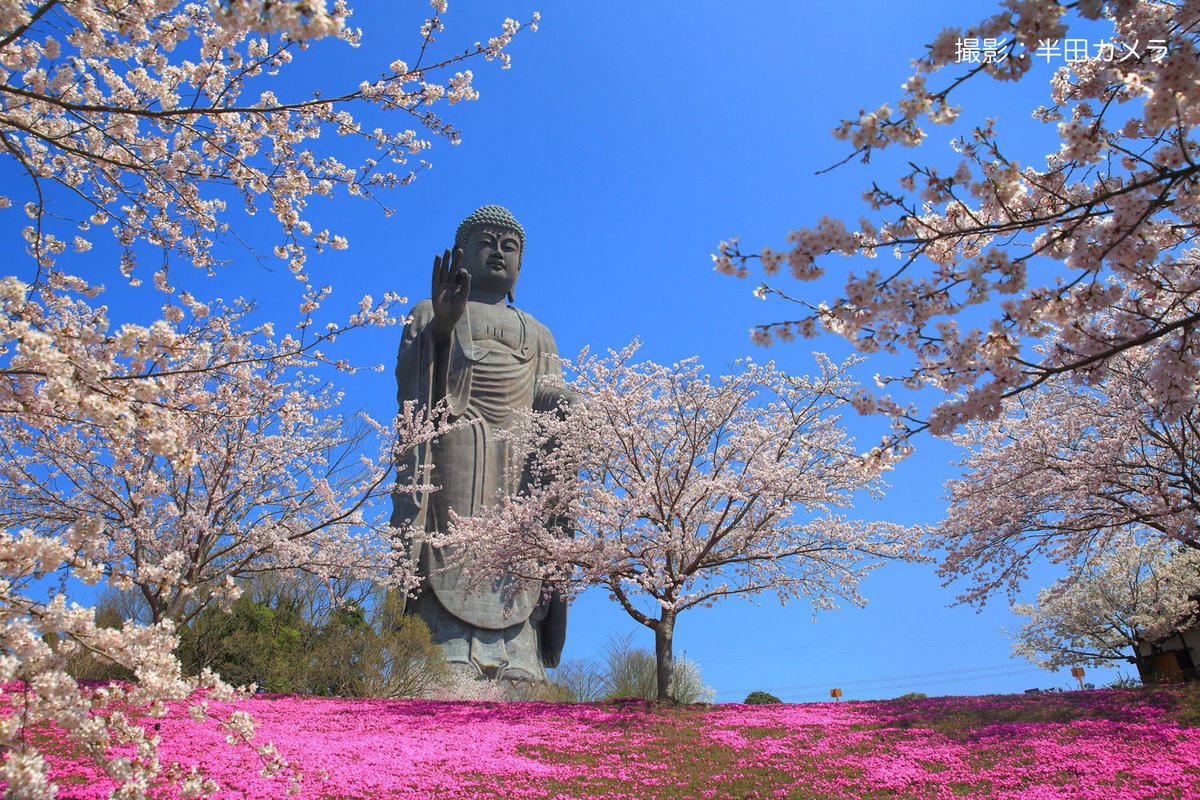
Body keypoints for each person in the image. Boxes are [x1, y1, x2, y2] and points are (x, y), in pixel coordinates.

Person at [391, 205, 570, 689]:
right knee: (444, 531)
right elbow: (412, 380)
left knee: (521, 541)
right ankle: (443, 645)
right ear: (462, 254)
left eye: (509, 247)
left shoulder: (539, 332)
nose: (497, 253)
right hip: (455, 442)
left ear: (520, 267)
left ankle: (520, 652)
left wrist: (568, 403)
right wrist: (443, 328)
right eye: (485, 243)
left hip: (519, 456)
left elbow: (547, 391)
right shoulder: (429, 310)